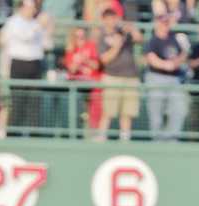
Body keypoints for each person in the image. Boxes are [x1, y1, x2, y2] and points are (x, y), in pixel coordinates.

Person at [0, 0, 50, 135]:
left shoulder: (35, 23)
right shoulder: (14, 22)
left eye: (33, 8)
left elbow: (45, 44)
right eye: (29, 8)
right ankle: (12, 134)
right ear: (22, 8)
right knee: (17, 102)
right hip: (19, 64)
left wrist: (46, 28)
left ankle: (34, 134)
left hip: (35, 64)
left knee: (34, 102)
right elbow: (26, 36)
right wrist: (39, 26)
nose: (32, 11)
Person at [97, 7, 143, 141]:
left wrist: (132, 29)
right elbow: (104, 59)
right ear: (104, 20)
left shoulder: (124, 33)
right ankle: (101, 138)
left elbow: (139, 39)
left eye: (114, 18)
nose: (112, 21)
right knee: (108, 112)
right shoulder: (102, 37)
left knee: (127, 113)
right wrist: (117, 45)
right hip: (112, 77)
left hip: (130, 76)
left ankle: (125, 140)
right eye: (108, 18)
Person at [144, 12, 188, 141]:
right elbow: (150, 58)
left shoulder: (174, 38)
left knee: (179, 109)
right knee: (156, 113)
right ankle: (157, 140)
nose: (164, 25)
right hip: (156, 77)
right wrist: (165, 65)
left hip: (174, 78)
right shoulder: (153, 40)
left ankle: (172, 139)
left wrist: (175, 62)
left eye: (166, 22)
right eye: (162, 22)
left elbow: (183, 55)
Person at [64, 26, 102, 136]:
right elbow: (71, 69)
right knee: (77, 110)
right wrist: (77, 60)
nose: (80, 39)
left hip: (92, 84)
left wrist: (85, 59)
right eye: (77, 37)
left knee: (95, 109)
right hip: (77, 85)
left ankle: (93, 133)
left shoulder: (91, 46)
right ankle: (76, 133)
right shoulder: (71, 49)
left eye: (82, 37)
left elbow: (96, 65)